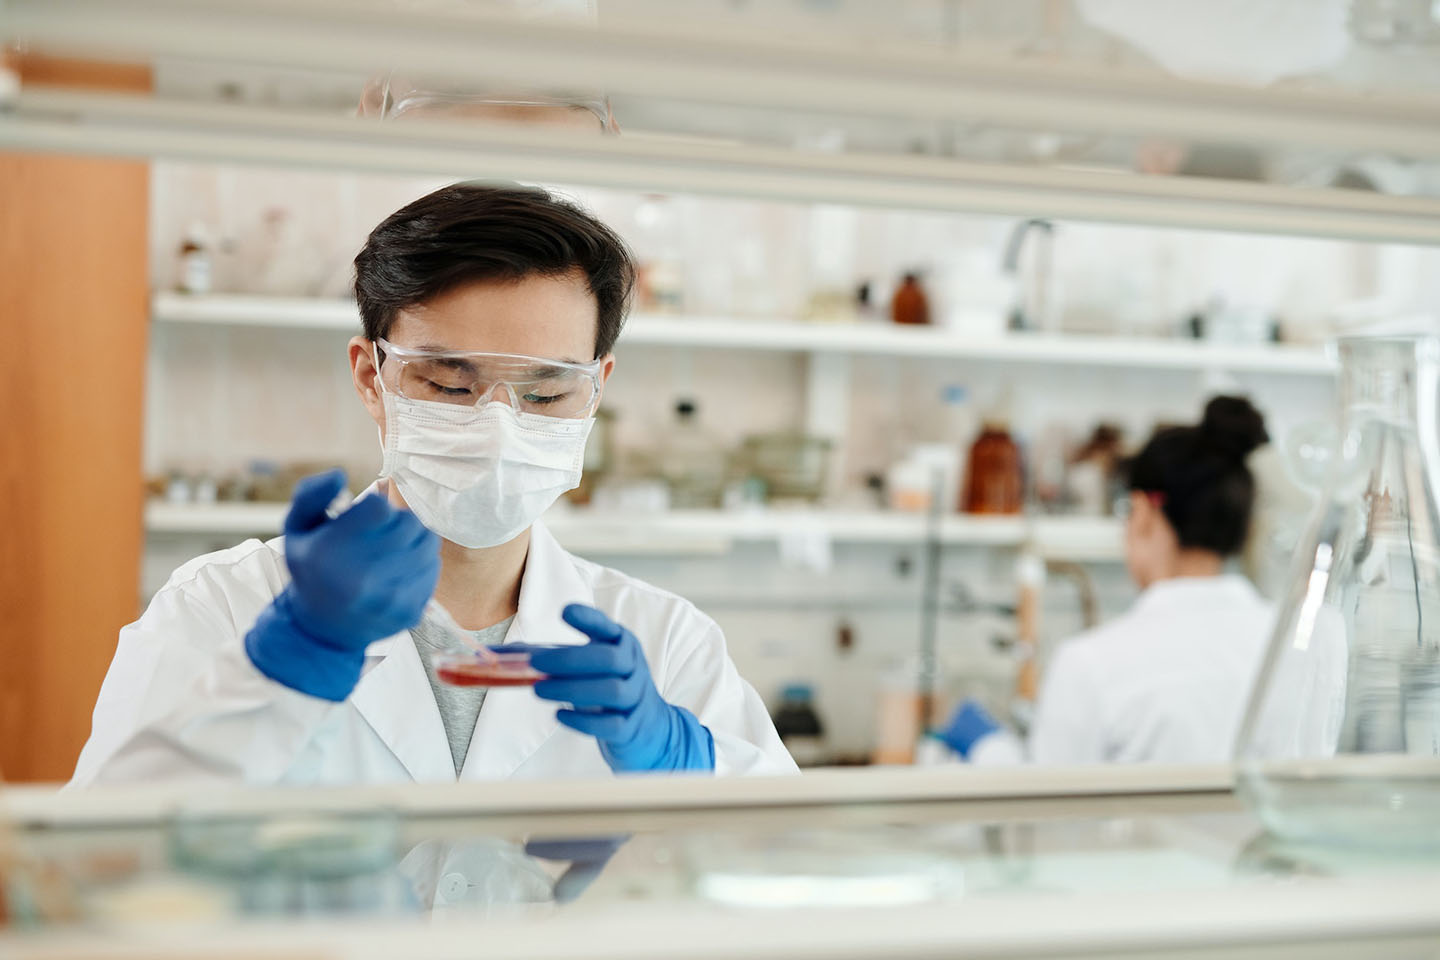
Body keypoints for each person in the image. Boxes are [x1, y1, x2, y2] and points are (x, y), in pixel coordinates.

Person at [73, 183, 796, 785]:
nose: (499, 429)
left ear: (598, 389)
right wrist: (286, 669)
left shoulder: (666, 644)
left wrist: (686, 761)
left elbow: (794, 879)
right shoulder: (224, 607)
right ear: (370, 374)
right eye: (452, 385)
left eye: (545, 395)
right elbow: (88, 871)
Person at [940, 396, 1279, 765]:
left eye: (1127, 513)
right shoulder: (1306, 643)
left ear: (1145, 514)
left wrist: (989, 749)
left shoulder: (1090, 664)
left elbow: (1049, 810)